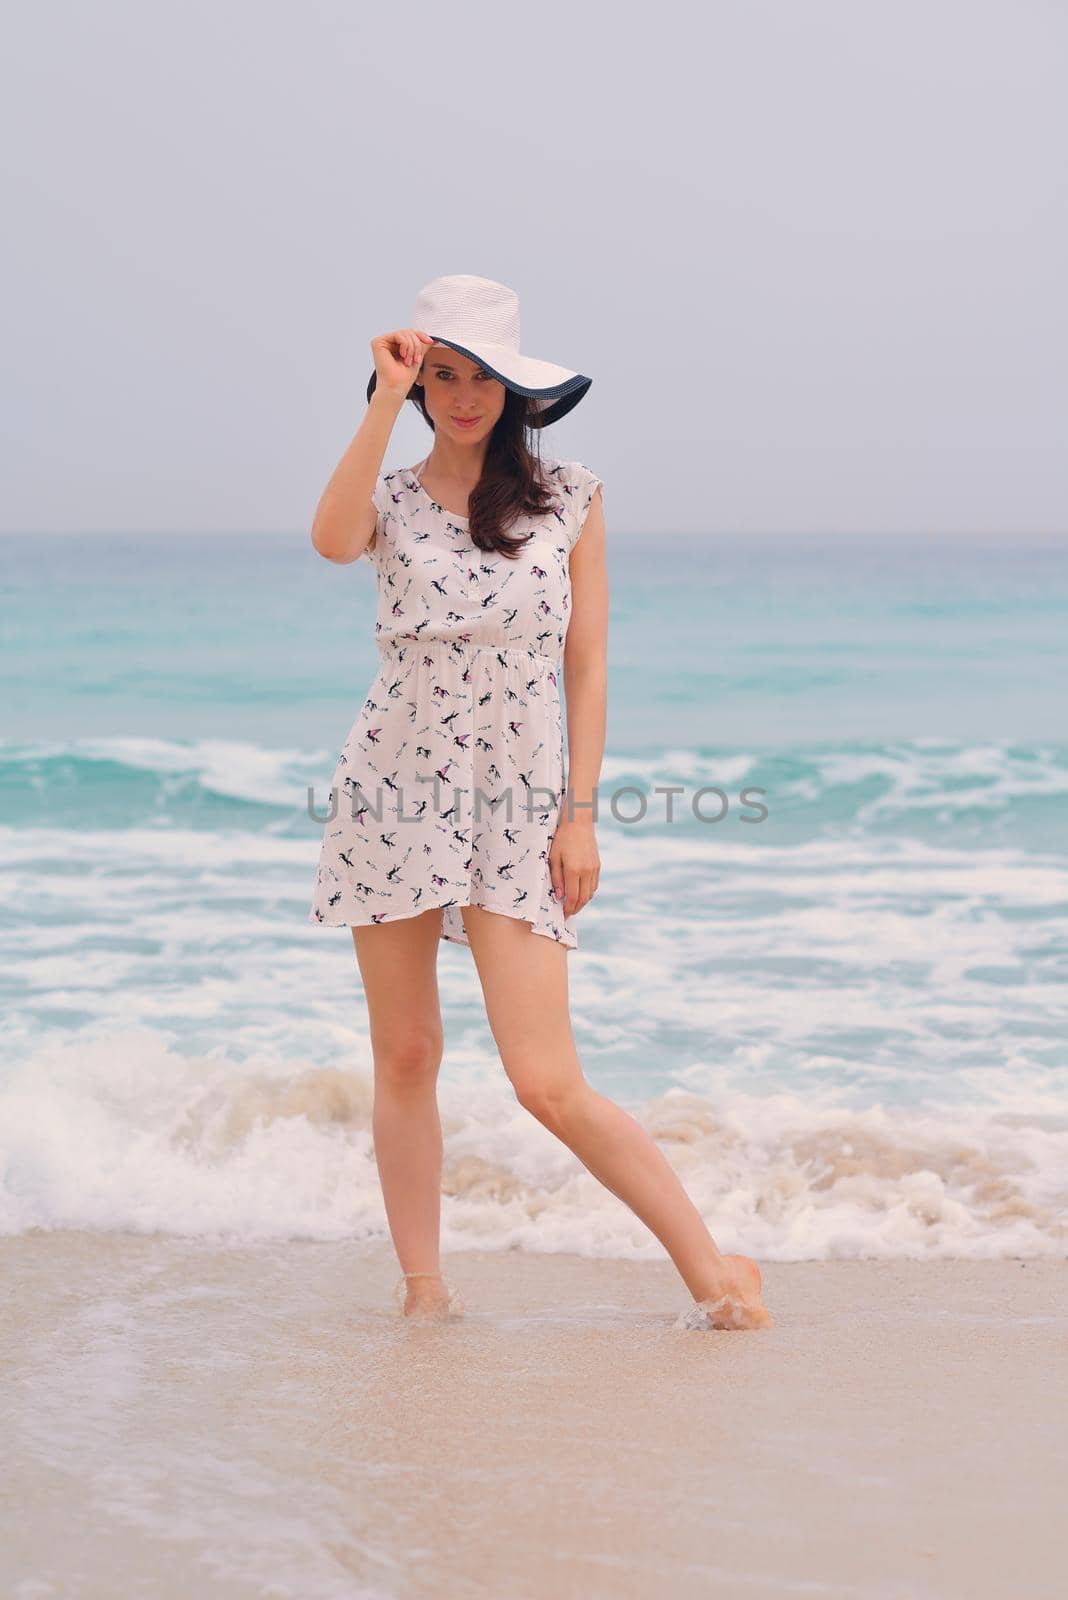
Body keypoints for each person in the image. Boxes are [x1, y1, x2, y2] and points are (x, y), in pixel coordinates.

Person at [308, 275, 772, 1332]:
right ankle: (424, 1290)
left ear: (519, 388)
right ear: (420, 381)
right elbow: (332, 541)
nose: (463, 396)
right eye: (443, 375)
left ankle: (715, 1271)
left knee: (545, 1080)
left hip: (520, 804)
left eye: (483, 377)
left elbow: (589, 663)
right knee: (408, 1053)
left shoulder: (572, 496)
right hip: (393, 791)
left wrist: (580, 812)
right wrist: (381, 398)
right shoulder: (387, 495)